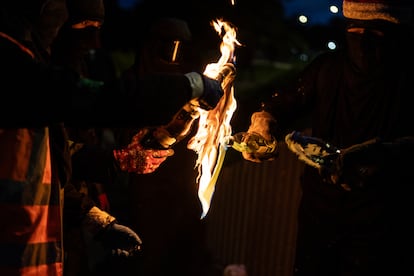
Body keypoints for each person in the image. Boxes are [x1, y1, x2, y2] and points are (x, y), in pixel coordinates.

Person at [0, 1, 228, 275]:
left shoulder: (38, 67)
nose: (92, 40)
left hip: (38, 249)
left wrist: (95, 216)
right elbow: (97, 100)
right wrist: (191, 85)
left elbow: (53, 159)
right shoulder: (13, 65)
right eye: (83, 26)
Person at [240, 0, 414, 275]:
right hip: (319, 215)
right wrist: (263, 122)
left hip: (384, 220)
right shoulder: (327, 68)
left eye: (376, 32)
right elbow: (285, 103)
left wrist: (386, 154)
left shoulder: (409, 78)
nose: (364, 41)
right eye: (355, 31)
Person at [116, 17, 225, 276]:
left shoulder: (187, 80)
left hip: (182, 182)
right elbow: (128, 138)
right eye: (167, 45)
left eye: (178, 46)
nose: (173, 53)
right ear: (153, 45)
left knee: (186, 251)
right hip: (147, 185)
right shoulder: (135, 80)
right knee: (148, 254)